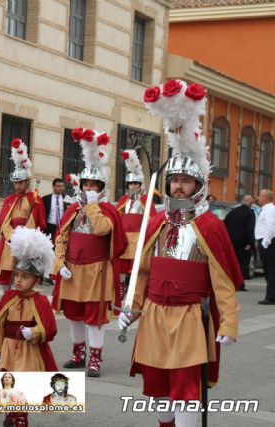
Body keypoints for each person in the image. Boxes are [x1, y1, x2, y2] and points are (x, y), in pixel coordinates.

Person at [120, 80, 241, 427]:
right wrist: (132, 307)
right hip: (155, 315)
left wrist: (229, 322)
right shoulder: (157, 221)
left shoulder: (211, 227)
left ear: (198, 185)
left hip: (190, 318)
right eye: (173, 180)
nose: (177, 186)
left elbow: (223, 282)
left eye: (185, 181)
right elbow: (141, 273)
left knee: (187, 390)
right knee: (158, 389)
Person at [51, 127, 127, 378]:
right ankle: (78, 354)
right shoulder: (73, 208)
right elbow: (61, 237)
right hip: (73, 269)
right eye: (87, 184)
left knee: (94, 317)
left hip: (97, 271)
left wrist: (92, 207)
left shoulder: (105, 209)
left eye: (94, 184)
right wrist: (59, 262)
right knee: (73, 314)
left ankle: (94, 359)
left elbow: (104, 230)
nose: (90, 187)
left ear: (101, 187)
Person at [0, 227, 58, 373]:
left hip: (29, 351)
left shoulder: (41, 300)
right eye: (16, 275)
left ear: (36, 280)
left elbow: (49, 328)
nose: (19, 280)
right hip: (7, 350)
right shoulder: (9, 297)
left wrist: (34, 332)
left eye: (25, 277)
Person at [0, 138, 46, 293]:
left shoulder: (34, 198)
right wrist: (11, 236)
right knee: (7, 273)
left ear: (26, 182)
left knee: (25, 273)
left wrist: (24, 237)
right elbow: (3, 221)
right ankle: (6, 299)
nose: (17, 186)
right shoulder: (9, 200)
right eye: (15, 183)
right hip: (10, 242)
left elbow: (37, 220)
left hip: (27, 240)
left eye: (20, 182)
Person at [116, 149, 157, 297]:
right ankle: (120, 288)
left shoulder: (146, 200)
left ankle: (134, 290)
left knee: (137, 266)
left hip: (139, 238)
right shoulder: (123, 200)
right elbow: (117, 217)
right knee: (121, 264)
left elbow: (152, 219)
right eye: (130, 184)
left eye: (135, 183)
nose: (132, 186)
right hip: (125, 238)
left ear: (140, 185)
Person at [224, 195, 255, 291]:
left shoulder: (233, 211)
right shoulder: (250, 213)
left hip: (231, 241)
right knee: (243, 263)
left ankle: (231, 283)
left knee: (233, 262)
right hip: (244, 243)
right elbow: (250, 229)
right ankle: (240, 284)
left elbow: (224, 223)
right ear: (250, 203)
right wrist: (250, 243)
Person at [255, 189, 275, 304]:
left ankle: (271, 297)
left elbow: (272, 227)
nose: (258, 198)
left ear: (266, 198)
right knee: (269, 270)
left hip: (268, 243)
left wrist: (265, 243)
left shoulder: (270, 210)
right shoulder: (267, 209)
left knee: (270, 270)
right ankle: (271, 295)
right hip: (267, 242)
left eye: (260, 195)